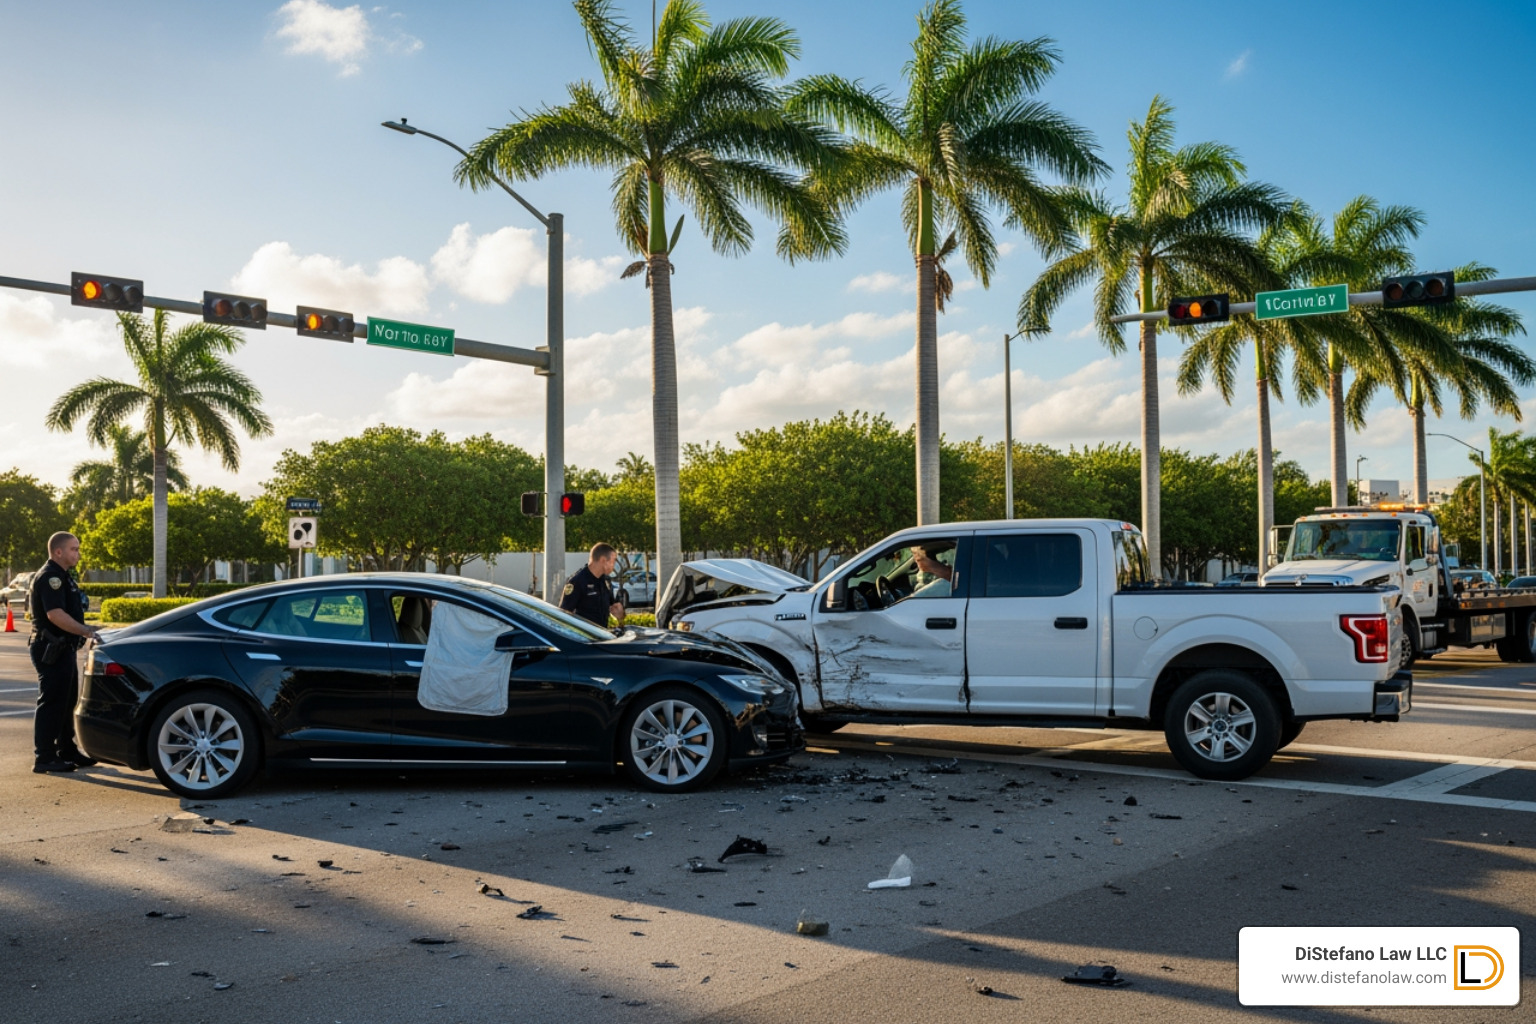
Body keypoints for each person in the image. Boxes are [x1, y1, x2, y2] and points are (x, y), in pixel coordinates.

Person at [28, 532, 100, 774]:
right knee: (52, 702)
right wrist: (87, 631)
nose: (77, 554)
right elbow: (55, 615)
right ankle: (45, 757)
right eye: (74, 549)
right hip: (51, 647)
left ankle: (66, 750)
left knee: (66, 701)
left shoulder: (62, 576)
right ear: (58, 552)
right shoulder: (50, 577)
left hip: (63, 647)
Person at [560, 543, 625, 629]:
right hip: (584, 638)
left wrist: (620, 615)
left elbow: (613, 607)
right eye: (613, 561)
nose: (613, 566)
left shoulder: (605, 580)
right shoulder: (577, 581)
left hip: (602, 636)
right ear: (603, 560)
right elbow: (563, 615)